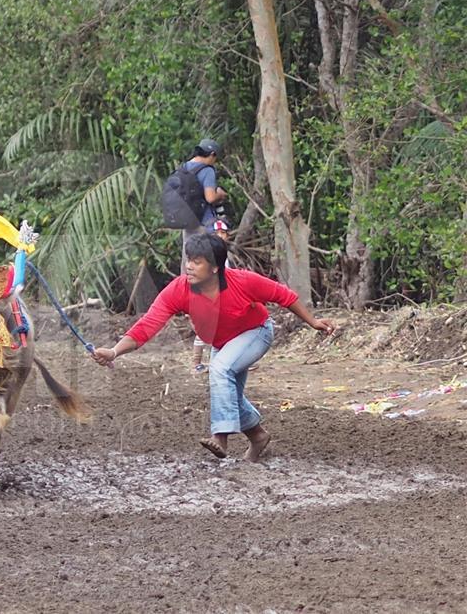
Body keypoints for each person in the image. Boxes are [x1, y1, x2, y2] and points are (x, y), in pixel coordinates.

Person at [92, 233, 335, 462]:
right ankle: (258, 436)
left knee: (219, 371)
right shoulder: (179, 289)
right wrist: (114, 351)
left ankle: (221, 436)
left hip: (256, 332)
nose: (189, 267)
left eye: (197, 262)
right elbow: (148, 325)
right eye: (189, 260)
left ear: (215, 267)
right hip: (223, 343)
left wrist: (313, 322)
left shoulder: (243, 281)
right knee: (227, 393)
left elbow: (285, 296)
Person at [180, 138, 228, 275]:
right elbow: (210, 197)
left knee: (189, 257)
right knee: (211, 259)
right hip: (205, 222)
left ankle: (186, 289)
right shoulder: (207, 170)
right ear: (212, 154)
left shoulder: (184, 167)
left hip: (187, 221)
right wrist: (220, 194)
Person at [192, 219, 231, 373]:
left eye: (223, 233)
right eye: (216, 233)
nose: (220, 236)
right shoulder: (207, 256)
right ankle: (196, 362)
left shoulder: (223, 255)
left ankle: (225, 360)